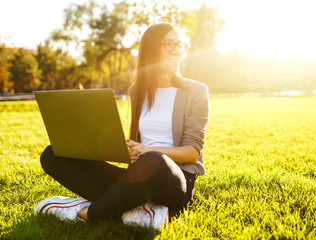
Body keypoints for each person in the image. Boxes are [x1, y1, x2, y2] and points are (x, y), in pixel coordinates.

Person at [34, 23, 209, 229]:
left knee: (154, 160)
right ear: (151, 49)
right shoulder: (138, 90)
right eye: (169, 44)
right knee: (52, 155)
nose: (177, 51)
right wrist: (122, 148)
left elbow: (192, 152)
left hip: (174, 180)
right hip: (138, 175)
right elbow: (138, 142)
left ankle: (87, 212)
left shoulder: (196, 91)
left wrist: (148, 151)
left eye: (179, 45)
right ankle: (139, 209)